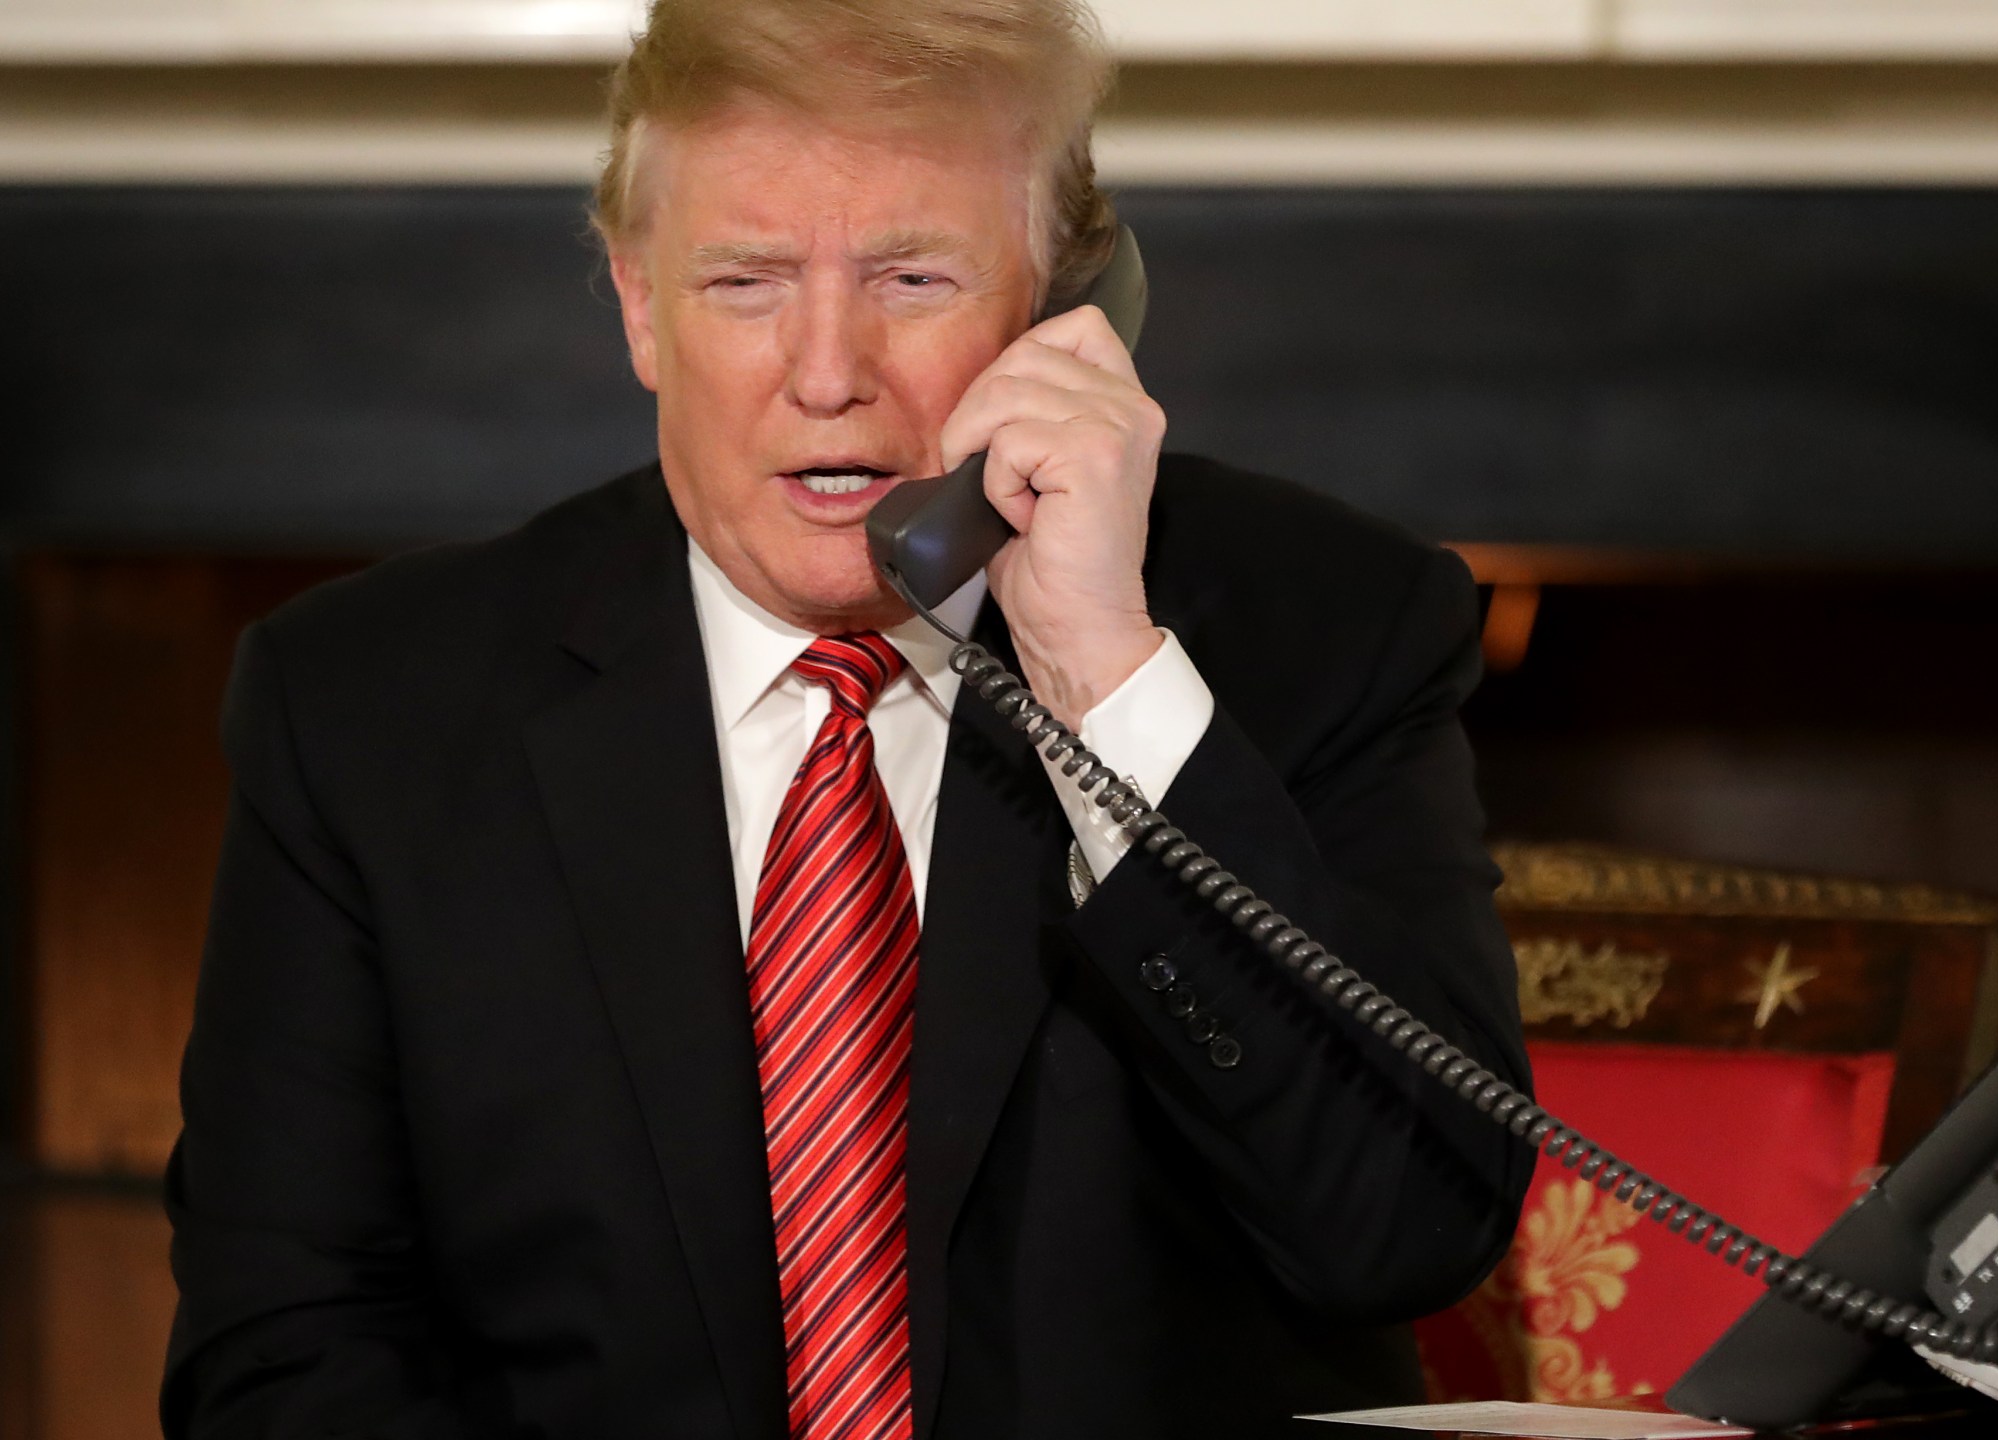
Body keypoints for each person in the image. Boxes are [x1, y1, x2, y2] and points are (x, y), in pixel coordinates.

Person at [160, 0, 1533, 1436]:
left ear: (1068, 312)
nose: (827, 374)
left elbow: (1405, 1231)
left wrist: (1100, 673)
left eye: (914, 278)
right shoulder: (365, 707)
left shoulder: (1330, 629)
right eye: (746, 282)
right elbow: (281, 1356)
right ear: (638, 304)